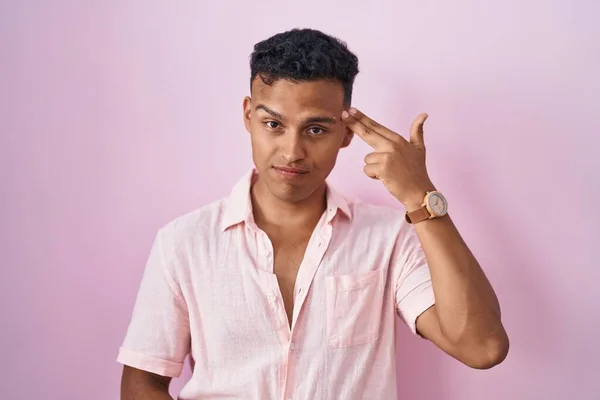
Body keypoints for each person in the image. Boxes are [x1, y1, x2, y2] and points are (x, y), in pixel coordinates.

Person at [117, 28, 509, 399]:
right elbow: (143, 384)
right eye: (273, 124)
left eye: (316, 130)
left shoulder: (390, 238)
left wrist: (421, 197)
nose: (292, 151)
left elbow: (483, 347)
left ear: (347, 133)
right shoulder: (184, 242)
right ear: (247, 116)